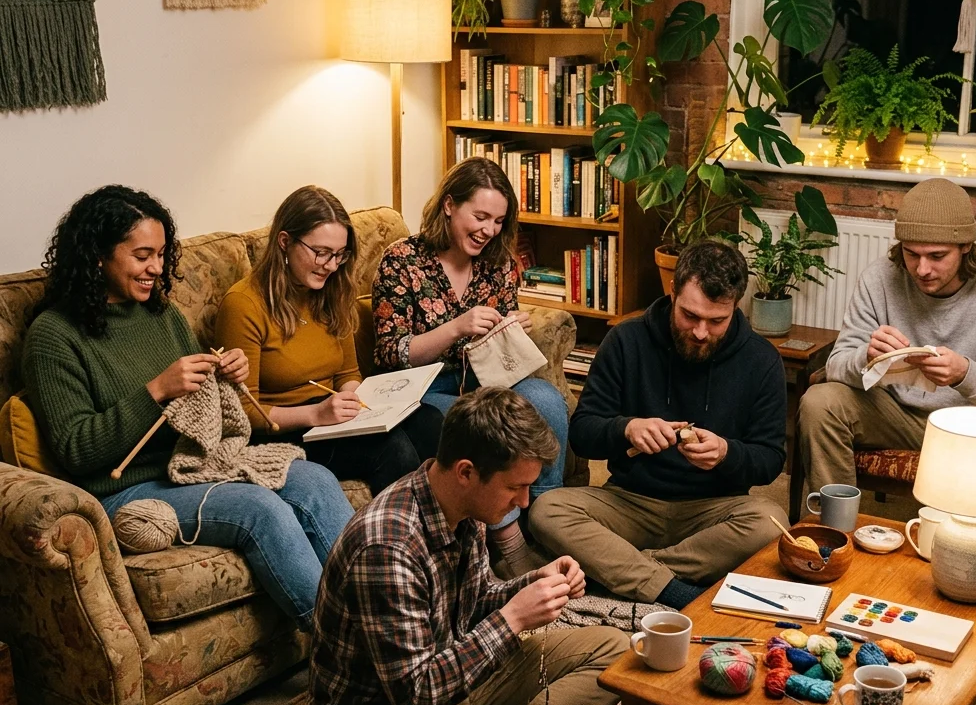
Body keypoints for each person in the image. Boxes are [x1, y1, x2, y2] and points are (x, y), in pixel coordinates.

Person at [306, 387, 666, 705]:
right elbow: (417, 697)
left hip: (457, 677)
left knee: (616, 651)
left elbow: (476, 602)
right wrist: (514, 619)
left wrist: (532, 584)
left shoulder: (465, 505)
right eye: (515, 486)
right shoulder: (388, 547)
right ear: (466, 472)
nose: (525, 501)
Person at [22, 185, 354, 631]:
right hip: (127, 489)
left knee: (314, 477)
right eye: (142, 255)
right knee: (260, 508)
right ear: (98, 255)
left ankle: (379, 612)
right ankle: (347, 644)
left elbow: (204, 409)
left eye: (161, 254)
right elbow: (77, 450)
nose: (156, 268)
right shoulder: (53, 336)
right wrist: (155, 391)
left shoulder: (162, 315)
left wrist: (224, 375)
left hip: (195, 464)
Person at [530, 240, 788, 609]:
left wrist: (727, 453)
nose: (701, 332)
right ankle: (673, 589)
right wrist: (626, 428)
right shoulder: (626, 340)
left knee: (770, 522)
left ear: (736, 307)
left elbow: (770, 459)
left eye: (716, 321)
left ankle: (628, 570)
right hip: (628, 502)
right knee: (547, 510)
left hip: (714, 510)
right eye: (690, 316)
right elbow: (584, 433)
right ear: (673, 292)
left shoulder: (761, 360)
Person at [372, 156, 569, 575]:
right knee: (479, 428)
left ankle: (550, 525)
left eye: (498, 221)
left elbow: (501, 351)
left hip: (489, 378)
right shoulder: (402, 260)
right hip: (425, 388)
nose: (488, 230)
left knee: (545, 400)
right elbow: (391, 352)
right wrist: (456, 327)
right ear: (449, 205)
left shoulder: (497, 261)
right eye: (479, 216)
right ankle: (509, 543)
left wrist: (513, 328)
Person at [799, 176, 976, 493]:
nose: (922, 269)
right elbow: (835, 367)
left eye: (936, 256)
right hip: (896, 415)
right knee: (819, 401)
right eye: (911, 254)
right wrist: (867, 358)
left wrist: (966, 374)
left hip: (971, 425)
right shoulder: (879, 278)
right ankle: (835, 529)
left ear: (966, 247)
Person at [215, 186, 442, 495]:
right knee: (391, 448)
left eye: (339, 254)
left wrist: (360, 403)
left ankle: (450, 532)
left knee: (430, 420)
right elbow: (243, 412)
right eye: (321, 253)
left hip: (329, 416)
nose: (332, 265)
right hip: (282, 430)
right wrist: (316, 414)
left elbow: (347, 374)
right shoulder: (244, 304)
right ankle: (401, 538)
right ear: (284, 242)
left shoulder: (333, 290)